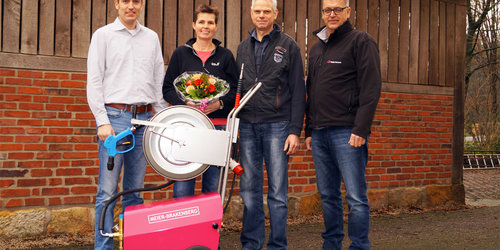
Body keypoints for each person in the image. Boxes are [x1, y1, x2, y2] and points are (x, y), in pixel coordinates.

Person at [86, 0, 168, 249]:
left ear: (141, 4)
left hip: (144, 120)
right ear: (116, 4)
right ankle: (103, 246)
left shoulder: (151, 37)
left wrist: (162, 118)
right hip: (115, 119)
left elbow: (158, 81)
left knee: (135, 191)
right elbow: (94, 80)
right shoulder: (103, 36)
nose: (130, 6)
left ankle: (133, 244)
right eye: (125, 1)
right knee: (108, 191)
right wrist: (102, 121)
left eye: (136, 1)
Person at [304, 0, 381, 249]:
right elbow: (311, 91)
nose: (332, 14)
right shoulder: (317, 49)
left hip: (347, 133)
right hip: (319, 134)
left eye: (338, 9)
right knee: (328, 196)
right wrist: (308, 130)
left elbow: (371, 88)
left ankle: (359, 245)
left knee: (356, 198)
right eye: (328, 10)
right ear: (323, 14)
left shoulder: (361, 41)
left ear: (348, 12)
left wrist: (360, 129)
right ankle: (332, 244)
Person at [236, 0, 306, 249]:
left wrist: (294, 131)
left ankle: (277, 245)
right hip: (247, 127)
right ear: (251, 13)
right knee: (248, 190)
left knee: (277, 192)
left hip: (278, 126)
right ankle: (251, 244)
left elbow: (299, 91)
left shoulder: (289, 46)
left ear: (275, 14)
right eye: (258, 11)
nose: (262, 15)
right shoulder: (243, 47)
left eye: (267, 11)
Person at [162, 4, 238, 198]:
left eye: (210, 22)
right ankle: (184, 228)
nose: (206, 26)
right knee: (182, 189)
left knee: (212, 189)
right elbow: (168, 89)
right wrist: (185, 104)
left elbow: (236, 90)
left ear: (216, 27)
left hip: (216, 129)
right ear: (194, 25)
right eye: (201, 22)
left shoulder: (225, 56)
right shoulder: (181, 54)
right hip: (187, 129)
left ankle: (209, 228)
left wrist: (219, 104)